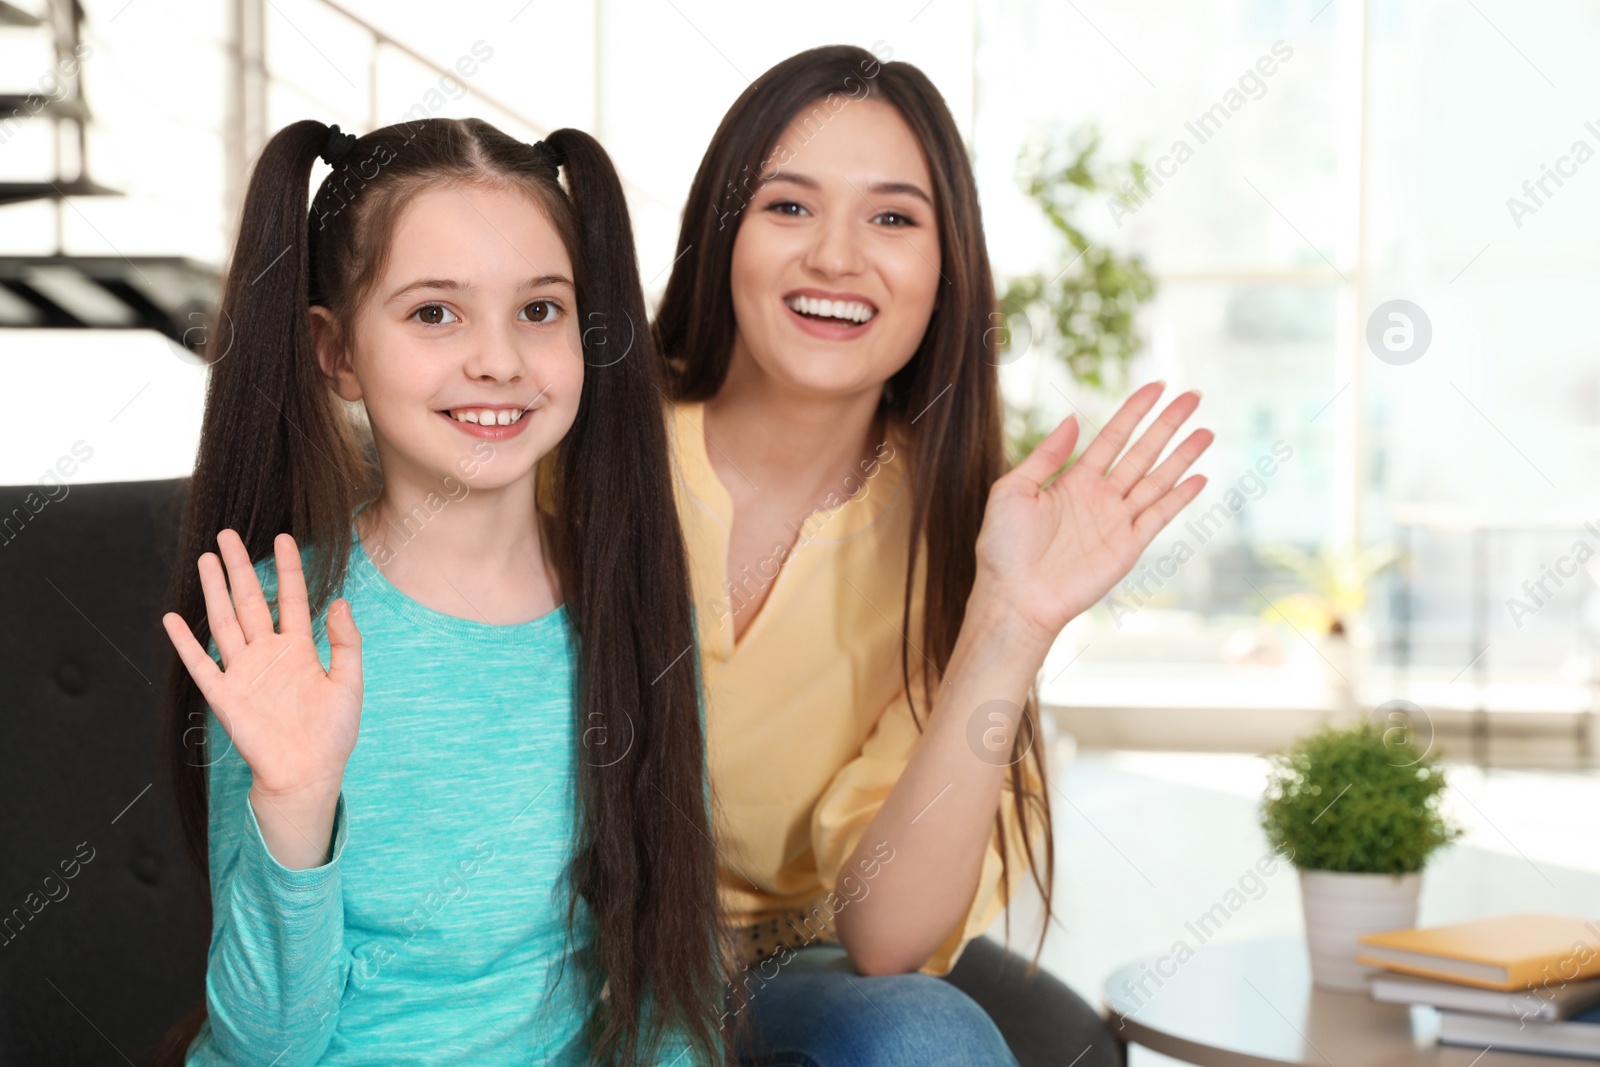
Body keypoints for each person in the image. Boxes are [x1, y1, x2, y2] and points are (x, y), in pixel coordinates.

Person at [653, 45, 1213, 1067]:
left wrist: (1013, 622)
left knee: (923, 1029)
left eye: (893, 217)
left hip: (791, 968)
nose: (835, 256)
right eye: (788, 206)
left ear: (945, 266)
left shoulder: (967, 524)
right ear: (719, 232)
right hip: (569, 947)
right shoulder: (590, 448)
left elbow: (886, 934)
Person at [160, 117, 724, 1066]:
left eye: (539, 310)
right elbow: (266, 1043)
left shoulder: (632, 608)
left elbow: (675, 977)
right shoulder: (273, 633)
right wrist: (296, 800)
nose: (499, 360)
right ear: (334, 352)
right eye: (435, 313)